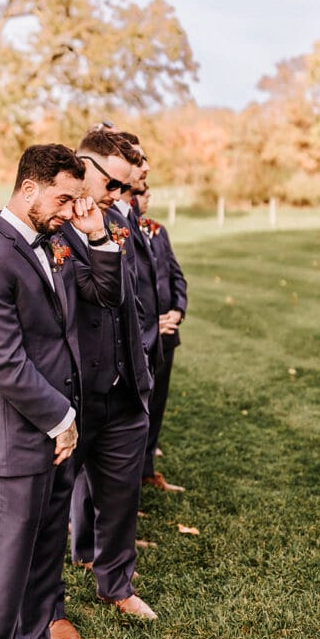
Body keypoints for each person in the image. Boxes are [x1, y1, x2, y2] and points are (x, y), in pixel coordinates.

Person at [0, 144, 122, 639]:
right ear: (28, 188)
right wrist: (62, 419)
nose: (70, 208)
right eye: (63, 196)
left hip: (58, 437)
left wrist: (97, 234)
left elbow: (105, 296)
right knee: (4, 568)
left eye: (76, 197)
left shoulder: (53, 240)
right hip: (13, 442)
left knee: (43, 556)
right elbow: (4, 363)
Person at [54, 127, 157, 639]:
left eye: (123, 189)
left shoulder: (117, 219)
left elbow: (134, 297)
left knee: (120, 498)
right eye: (113, 184)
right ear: (84, 165)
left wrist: (141, 361)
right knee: (53, 506)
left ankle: (116, 583)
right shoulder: (51, 226)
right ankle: (49, 609)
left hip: (125, 385)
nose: (119, 197)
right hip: (73, 390)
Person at [135, 188, 188, 490]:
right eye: (140, 192)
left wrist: (177, 311)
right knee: (137, 409)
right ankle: (130, 477)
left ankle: (147, 471)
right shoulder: (119, 233)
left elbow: (177, 277)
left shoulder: (158, 231)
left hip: (167, 336)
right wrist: (148, 324)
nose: (147, 195)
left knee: (157, 405)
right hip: (140, 336)